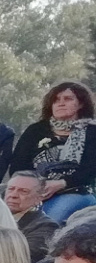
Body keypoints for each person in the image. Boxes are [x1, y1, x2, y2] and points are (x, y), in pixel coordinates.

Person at [8, 82, 96, 212]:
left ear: (81, 104)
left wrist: (61, 183)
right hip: (32, 191)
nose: (61, 103)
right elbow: (17, 166)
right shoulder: (36, 130)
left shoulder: (92, 132)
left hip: (75, 191)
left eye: (68, 99)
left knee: (50, 217)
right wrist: (36, 187)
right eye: (56, 100)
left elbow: (90, 169)